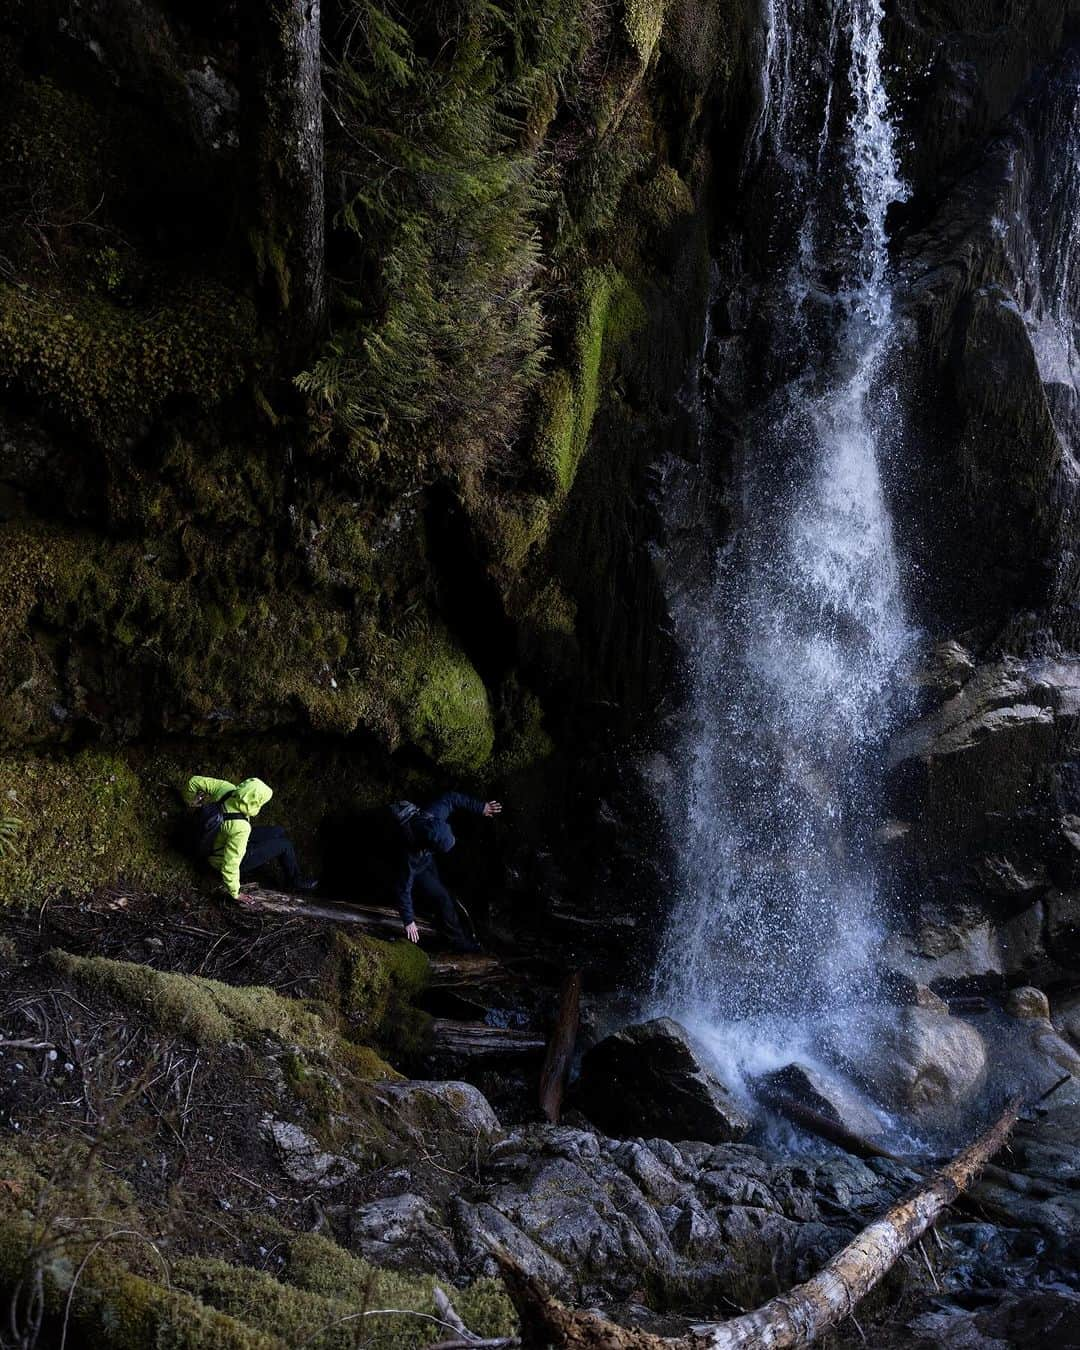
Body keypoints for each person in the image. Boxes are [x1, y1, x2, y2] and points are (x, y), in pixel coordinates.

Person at [182, 774, 317, 905]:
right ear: (255, 802)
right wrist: (235, 893)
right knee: (285, 844)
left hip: (218, 835)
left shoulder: (227, 789)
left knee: (278, 831)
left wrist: (190, 801)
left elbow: (194, 781)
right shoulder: (241, 827)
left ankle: (291, 870)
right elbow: (231, 864)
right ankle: (295, 881)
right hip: (217, 859)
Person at [393, 792, 501, 952]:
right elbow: (403, 888)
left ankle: (440, 914)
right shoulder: (410, 857)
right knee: (443, 898)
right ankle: (458, 942)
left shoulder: (434, 813)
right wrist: (408, 920)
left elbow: (453, 798)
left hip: (427, 858)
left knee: (440, 887)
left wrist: (480, 807)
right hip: (418, 866)